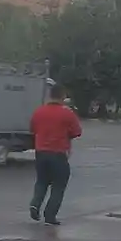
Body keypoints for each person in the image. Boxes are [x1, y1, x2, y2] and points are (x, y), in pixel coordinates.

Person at [29, 84, 83, 226]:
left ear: (50, 96)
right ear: (62, 96)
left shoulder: (39, 112)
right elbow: (77, 132)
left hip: (40, 153)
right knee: (58, 186)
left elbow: (32, 129)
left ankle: (35, 204)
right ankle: (50, 215)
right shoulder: (67, 113)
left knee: (41, 181)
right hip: (58, 154)